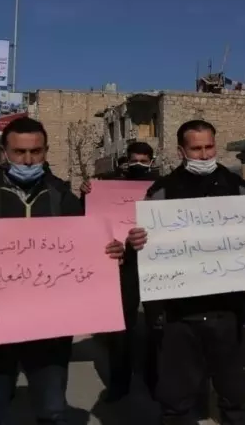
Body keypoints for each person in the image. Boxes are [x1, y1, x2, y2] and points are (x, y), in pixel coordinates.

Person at [0, 116, 128, 425]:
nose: (28, 160)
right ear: (5, 153)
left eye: (35, 152)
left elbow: (89, 250)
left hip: (49, 334)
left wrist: (109, 253)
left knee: (53, 411)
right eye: (19, 152)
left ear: (45, 152)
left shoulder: (62, 199)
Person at [140, 120, 245, 425]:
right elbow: (145, 249)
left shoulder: (239, 189)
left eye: (209, 147)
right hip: (179, 316)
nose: (205, 155)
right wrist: (136, 243)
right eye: (196, 149)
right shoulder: (162, 192)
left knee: (235, 397)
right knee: (176, 402)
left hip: (229, 312)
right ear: (181, 151)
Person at [80, 142, 157, 401]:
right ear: (125, 161)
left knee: (158, 326)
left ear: (152, 161)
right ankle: (119, 383)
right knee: (122, 327)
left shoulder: (161, 187)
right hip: (124, 265)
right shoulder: (110, 186)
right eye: (134, 160)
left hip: (155, 264)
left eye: (144, 161)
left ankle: (154, 380)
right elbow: (92, 217)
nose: (138, 165)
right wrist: (86, 194)